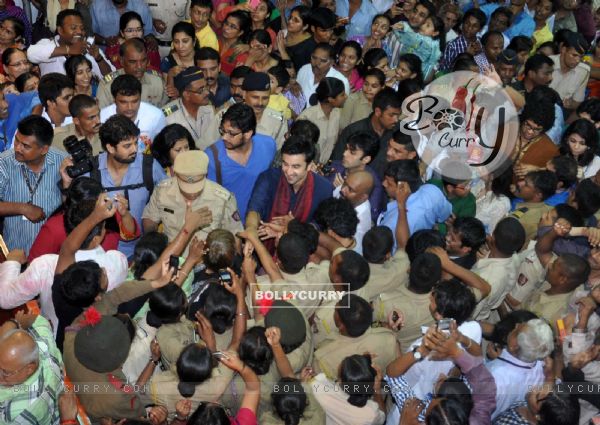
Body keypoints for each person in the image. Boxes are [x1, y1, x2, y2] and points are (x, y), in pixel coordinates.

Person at [61, 114, 167, 256]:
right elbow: (71, 211)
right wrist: (67, 184)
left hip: (141, 253)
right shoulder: (90, 170)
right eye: (127, 146)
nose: (135, 149)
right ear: (110, 148)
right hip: (99, 253)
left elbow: (168, 198)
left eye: (135, 143)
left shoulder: (149, 166)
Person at [143, 150, 243, 246]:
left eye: (196, 188)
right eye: (185, 188)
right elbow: (149, 218)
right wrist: (154, 245)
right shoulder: (162, 191)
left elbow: (235, 235)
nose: (192, 194)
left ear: (206, 175)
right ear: (176, 175)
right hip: (170, 256)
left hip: (205, 261)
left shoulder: (223, 199)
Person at [0, 115, 66, 254]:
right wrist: (23, 208)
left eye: (26, 146)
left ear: (44, 149)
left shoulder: (63, 162)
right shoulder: (4, 163)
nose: (17, 148)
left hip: (52, 257)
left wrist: (67, 184)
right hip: (15, 255)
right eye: (17, 140)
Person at [205, 102, 276, 222]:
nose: (224, 137)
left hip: (261, 223)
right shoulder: (212, 157)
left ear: (248, 134)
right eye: (222, 131)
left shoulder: (268, 146)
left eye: (231, 133)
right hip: (229, 226)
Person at [246, 136, 333, 229]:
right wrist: (251, 229)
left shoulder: (324, 188)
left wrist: (295, 227)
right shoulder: (269, 178)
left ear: (309, 166)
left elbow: (320, 225)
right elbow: (255, 209)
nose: (288, 172)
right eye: (285, 164)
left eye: (296, 166)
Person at [0, 312, 63, 424]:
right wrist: (18, 321)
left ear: (29, 369)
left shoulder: (19, 412)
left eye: (5, 372)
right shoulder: (44, 347)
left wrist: (12, 322)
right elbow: (40, 321)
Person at [378, 160, 452, 251]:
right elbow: (446, 215)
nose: (383, 184)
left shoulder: (392, 223)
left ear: (402, 188)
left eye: (389, 183)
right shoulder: (433, 191)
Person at [486, 318, 554, 418]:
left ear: (514, 346)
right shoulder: (543, 369)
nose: (517, 324)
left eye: (516, 330)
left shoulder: (491, 375)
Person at [207, 72, 287, 149]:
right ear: (244, 94)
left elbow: (279, 155)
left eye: (265, 98)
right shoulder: (224, 116)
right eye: (255, 97)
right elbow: (206, 147)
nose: (260, 103)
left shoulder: (278, 121)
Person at [27, 9, 113, 78]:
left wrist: (99, 59)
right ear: (60, 30)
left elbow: (111, 77)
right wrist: (69, 50)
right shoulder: (47, 44)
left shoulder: (88, 48)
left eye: (82, 28)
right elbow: (31, 54)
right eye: (73, 28)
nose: (79, 32)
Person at [99, 74, 167, 150]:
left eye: (134, 101)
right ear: (114, 100)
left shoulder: (156, 116)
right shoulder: (102, 118)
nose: (130, 107)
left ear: (140, 98)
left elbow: (162, 148)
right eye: (123, 102)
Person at [96, 37, 167, 109]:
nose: (139, 66)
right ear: (121, 61)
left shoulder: (157, 81)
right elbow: (101, 115)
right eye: (133, 62)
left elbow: (165, 113)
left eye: (143, 61)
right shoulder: (107, 85)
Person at [329, 131, 385, 219]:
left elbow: (369, 218)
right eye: (346, 148)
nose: (344, 154)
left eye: (352, 152)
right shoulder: (335, 166)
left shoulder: (373, 186)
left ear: (366, 159)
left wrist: (343, 193)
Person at [162, 67, 215, 149]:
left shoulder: (209, 109)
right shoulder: (168, 118)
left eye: (206, 87)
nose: (207, 92)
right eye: (201, 90)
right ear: (186, 95)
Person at [298, 77, 346, 163]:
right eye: (342, 95)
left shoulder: (338, 113)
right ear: (331, 99)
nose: (346, 97)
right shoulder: (307, 117)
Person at [549, 31, 591, 112]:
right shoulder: (547, 63)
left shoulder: (584, 72)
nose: (578, 60)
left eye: (581, 57)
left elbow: (577, 102)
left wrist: (570, 104)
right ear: (563, 49)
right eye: (574, 55)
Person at [336, 171, 374, 254]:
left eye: (350, 189)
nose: (343, 189)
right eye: (345, 183)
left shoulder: (359, 226)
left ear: (363, 197)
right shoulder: (344, 193)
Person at [275, 5, 314, 72]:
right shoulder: (285, 34)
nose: (290, 21)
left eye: (296, 20)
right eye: (290, 17)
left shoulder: (309, 46)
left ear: (305, 26)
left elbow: (295, 74)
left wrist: (282, 50)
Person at [218, 10, 251, 76]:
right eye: (226, 23)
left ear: (240, 33)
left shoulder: (241, 52)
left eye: (233, 27)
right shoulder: (216, 40)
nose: (226, 28)